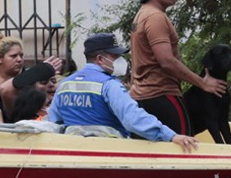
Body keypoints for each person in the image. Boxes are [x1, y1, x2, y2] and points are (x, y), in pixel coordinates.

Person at [47, 33, 199, 153]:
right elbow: (133, 118)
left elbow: (53, 123)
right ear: (100, 59)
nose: (120, 60)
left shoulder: (65, 85)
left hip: (74, 153)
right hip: (109, 153)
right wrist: (170, 136)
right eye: (115, 56)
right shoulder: (109, 85)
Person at [129, 0, 227, 135]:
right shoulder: (155, 17)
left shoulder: (141, 14)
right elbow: (167, 61)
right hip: (163, 96)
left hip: (141, 98)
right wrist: (203, 83)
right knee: (184, 146)